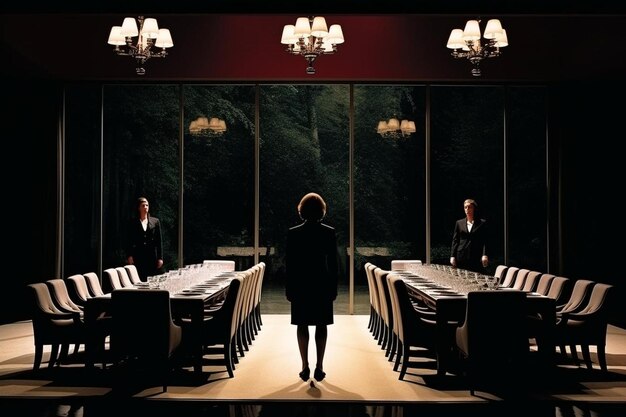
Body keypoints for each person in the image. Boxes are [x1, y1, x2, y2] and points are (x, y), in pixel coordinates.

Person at [286, 192, 339, 383]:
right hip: (321, 282)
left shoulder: (293, 233)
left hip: (301, 282)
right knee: (321, 324)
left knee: (302, 324)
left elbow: (290, 264)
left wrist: (288, 288)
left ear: (302, 210)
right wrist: (334, 287)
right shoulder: (329, 232)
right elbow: (333, 263)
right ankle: (320, 365)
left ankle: (304, 365)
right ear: (321, 211)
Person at [126, 197, 164, 281]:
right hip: (138, 256)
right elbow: (128, 240)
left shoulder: (155, 221)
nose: (146, 207)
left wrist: (160, 258)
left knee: (151, 279)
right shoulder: (132, 222)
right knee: (139, 278)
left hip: (152, 257)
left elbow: (159, 241)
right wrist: (129, 255)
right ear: (139, 208)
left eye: (147, 205)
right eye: (143, 205)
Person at [450, 198, 489, 274]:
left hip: (476, 256)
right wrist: (452, 256)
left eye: (469, 207)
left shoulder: (481, 223)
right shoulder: (459, 223)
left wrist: (485, 254)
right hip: (461, 256)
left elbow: (485, 240)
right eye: (465, 207)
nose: (467, 209)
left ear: (474, 208)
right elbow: (455, 240)